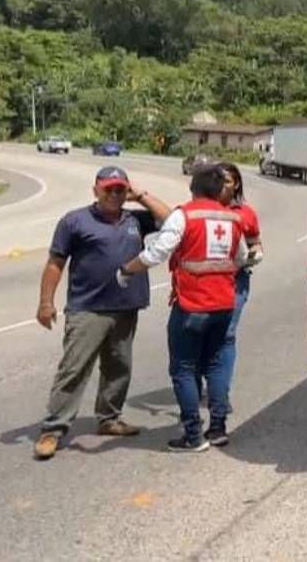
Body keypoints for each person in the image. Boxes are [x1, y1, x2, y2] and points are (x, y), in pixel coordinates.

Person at [33, 166, 172, 461]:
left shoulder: (136, 219)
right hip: (87, 308)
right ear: (95, 190)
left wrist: (141, 196)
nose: (114, 194)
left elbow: (172, 219)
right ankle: (53, 429)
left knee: (119, 367)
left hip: (126, 307)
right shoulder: (74, 221)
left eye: (120, 189)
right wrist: (46, 302)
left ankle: (109, 418)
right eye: (108, 189)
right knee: (74, 369)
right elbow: (56, 263)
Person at [117, 165, 253, 452]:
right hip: (224, 304)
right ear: (219, 190)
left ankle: (193, 435)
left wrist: (127, 270)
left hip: (192, 305)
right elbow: (242, 257)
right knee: (215, 364)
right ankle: (218, 428)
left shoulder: (184, 215)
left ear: (193, 188)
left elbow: (156, 252)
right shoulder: (232, 218)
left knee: (183, 367)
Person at [208, 163, 262, 412]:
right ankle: (199, 378)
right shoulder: (201, 210)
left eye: (227, 181)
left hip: (235, 282)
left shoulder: (246, 214)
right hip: (202, 284)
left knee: (227, 335)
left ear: (236, 184)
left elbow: (256, 243)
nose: (222, 186)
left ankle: (220, 392)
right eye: (217, 180)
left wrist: (255, 255)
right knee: (202, 334)